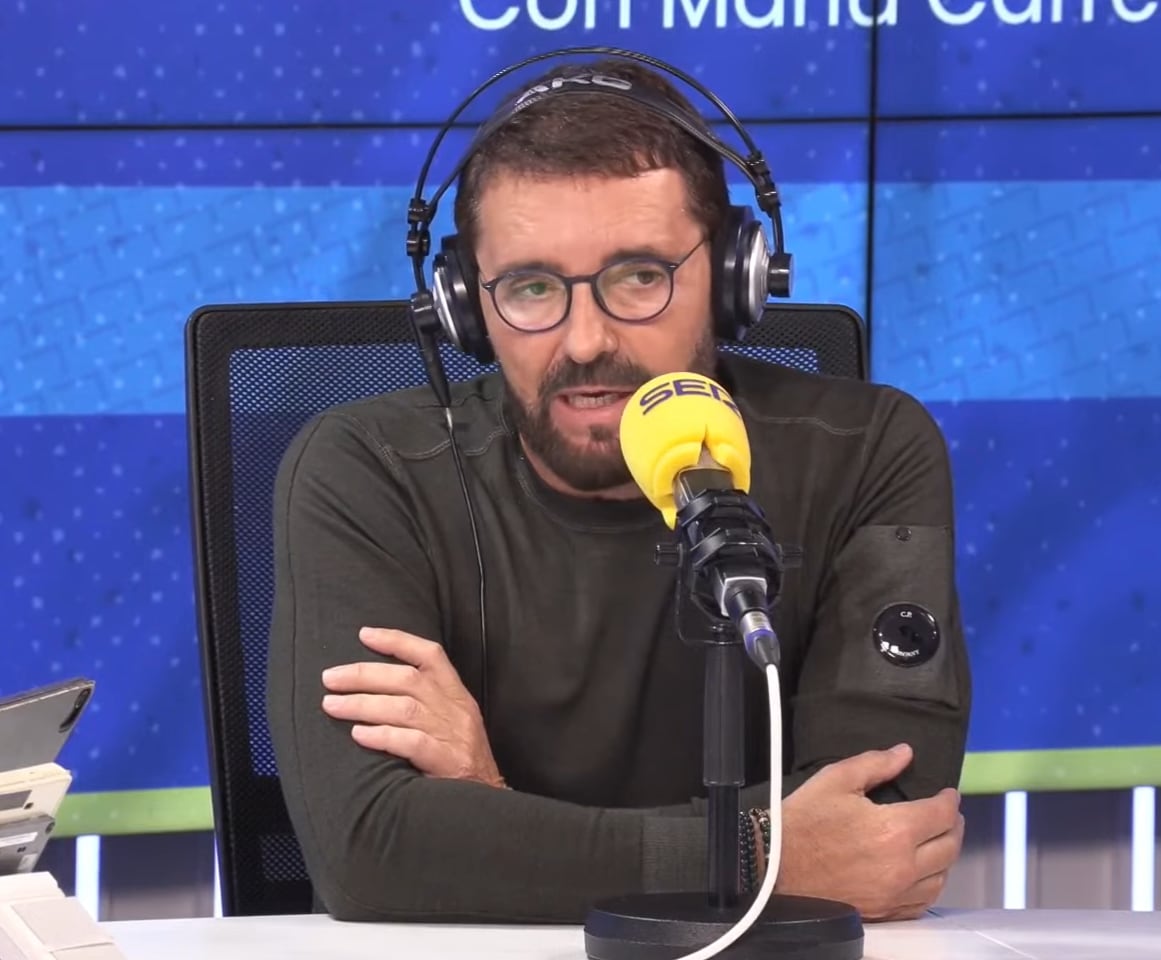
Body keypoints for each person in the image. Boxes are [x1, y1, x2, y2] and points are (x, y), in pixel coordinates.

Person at [265, 54, 971, 926]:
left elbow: (876, 830)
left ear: (731, 278)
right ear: (461, 305)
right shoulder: (366, 469)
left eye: (639, 275)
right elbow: (366, 855)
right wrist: (760, 853)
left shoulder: (868, 451)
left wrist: (489, 804)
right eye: (530, 287)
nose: (587, 338)